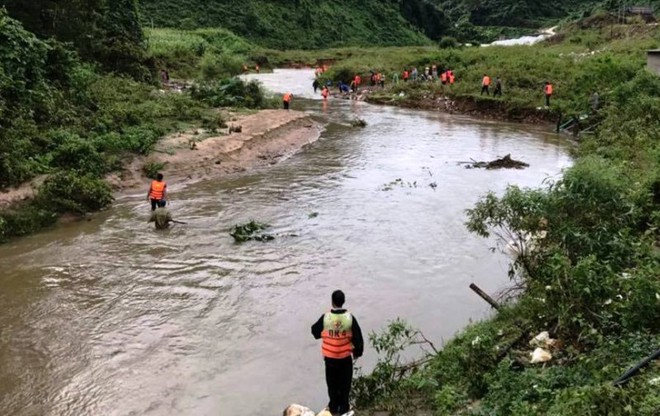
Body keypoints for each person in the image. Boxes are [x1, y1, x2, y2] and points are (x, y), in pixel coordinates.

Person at [311, 290, 364, 416]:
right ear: (343, 301)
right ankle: (344, 409)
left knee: (332, 385)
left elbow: (314, 331)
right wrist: (358, 352)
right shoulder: (349, 318)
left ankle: (333, 408)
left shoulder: (326, 318)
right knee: (345, 385)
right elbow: (358, 338)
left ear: (332, 302)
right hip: (345, 359)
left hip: (330, 360)